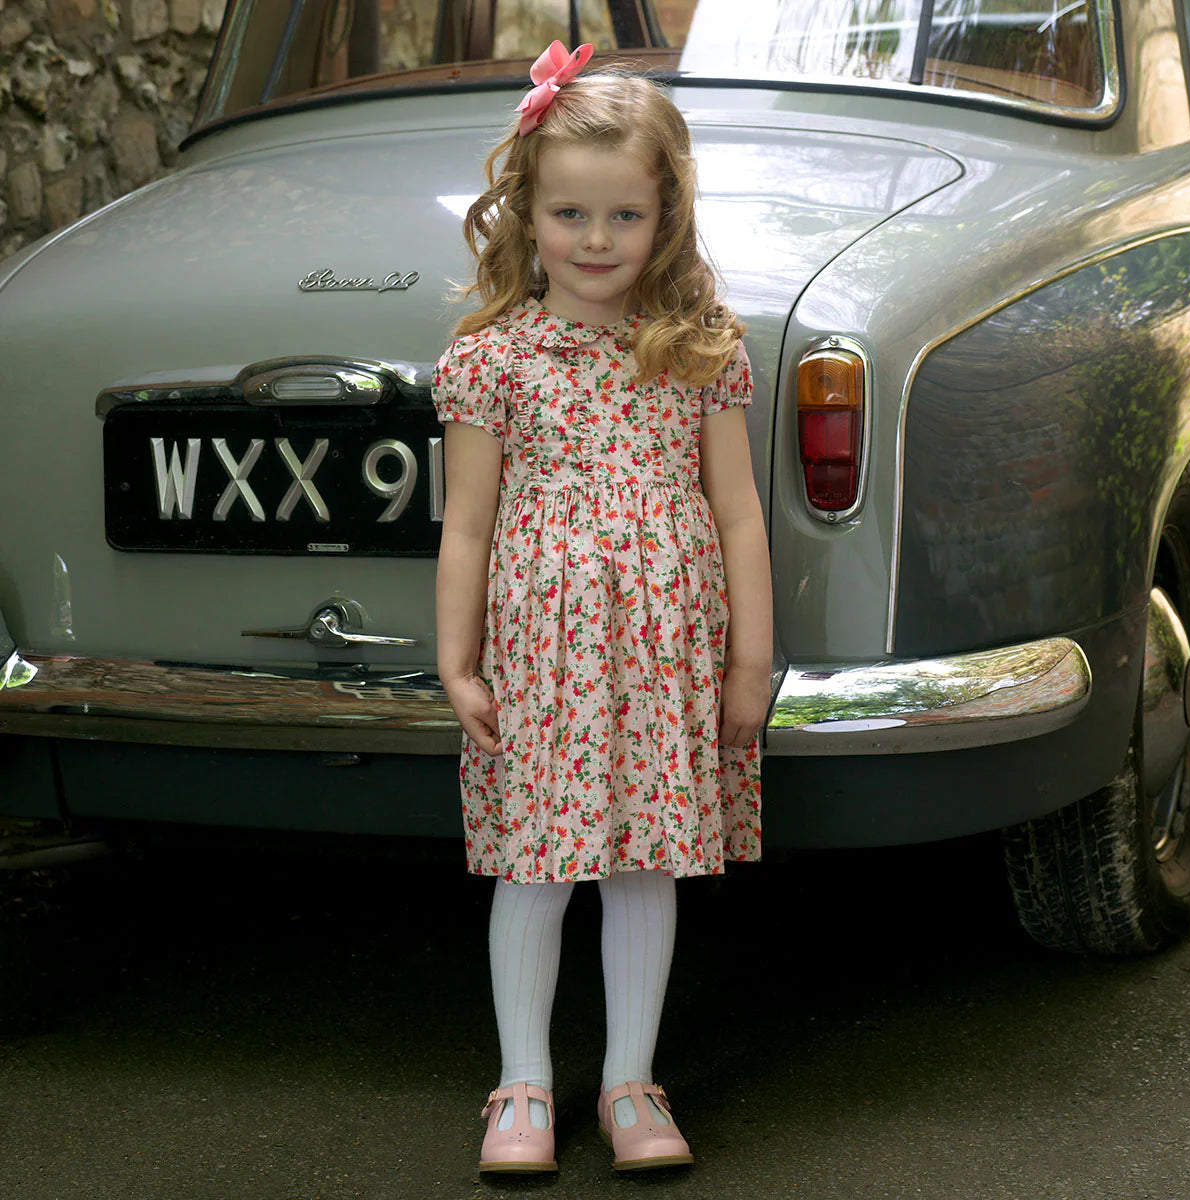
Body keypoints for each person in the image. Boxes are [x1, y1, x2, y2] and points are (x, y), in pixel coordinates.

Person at [433, 39, 772, 1175]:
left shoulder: (697, 353)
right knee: (534, 863)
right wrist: (456, 660)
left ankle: (632, 1082)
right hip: (542, 652)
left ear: (664, 217)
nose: (593, 240)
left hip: (663, 654)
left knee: (644, 862)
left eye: (622, 217)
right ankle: (520, 1086)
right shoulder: (495, 360)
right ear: (527, 212)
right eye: (569, 213)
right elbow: (469, 526)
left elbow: (737, 519)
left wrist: (749, 664)